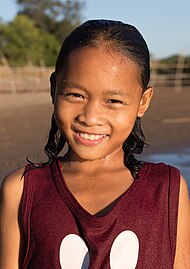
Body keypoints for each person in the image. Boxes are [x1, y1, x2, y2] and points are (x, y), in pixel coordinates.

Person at [0, 20, 190, 269]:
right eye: (75, 95)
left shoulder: (167, 189)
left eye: (113, 100)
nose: (90, 117)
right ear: (54, 88)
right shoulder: (23, 190)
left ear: (143, 102)